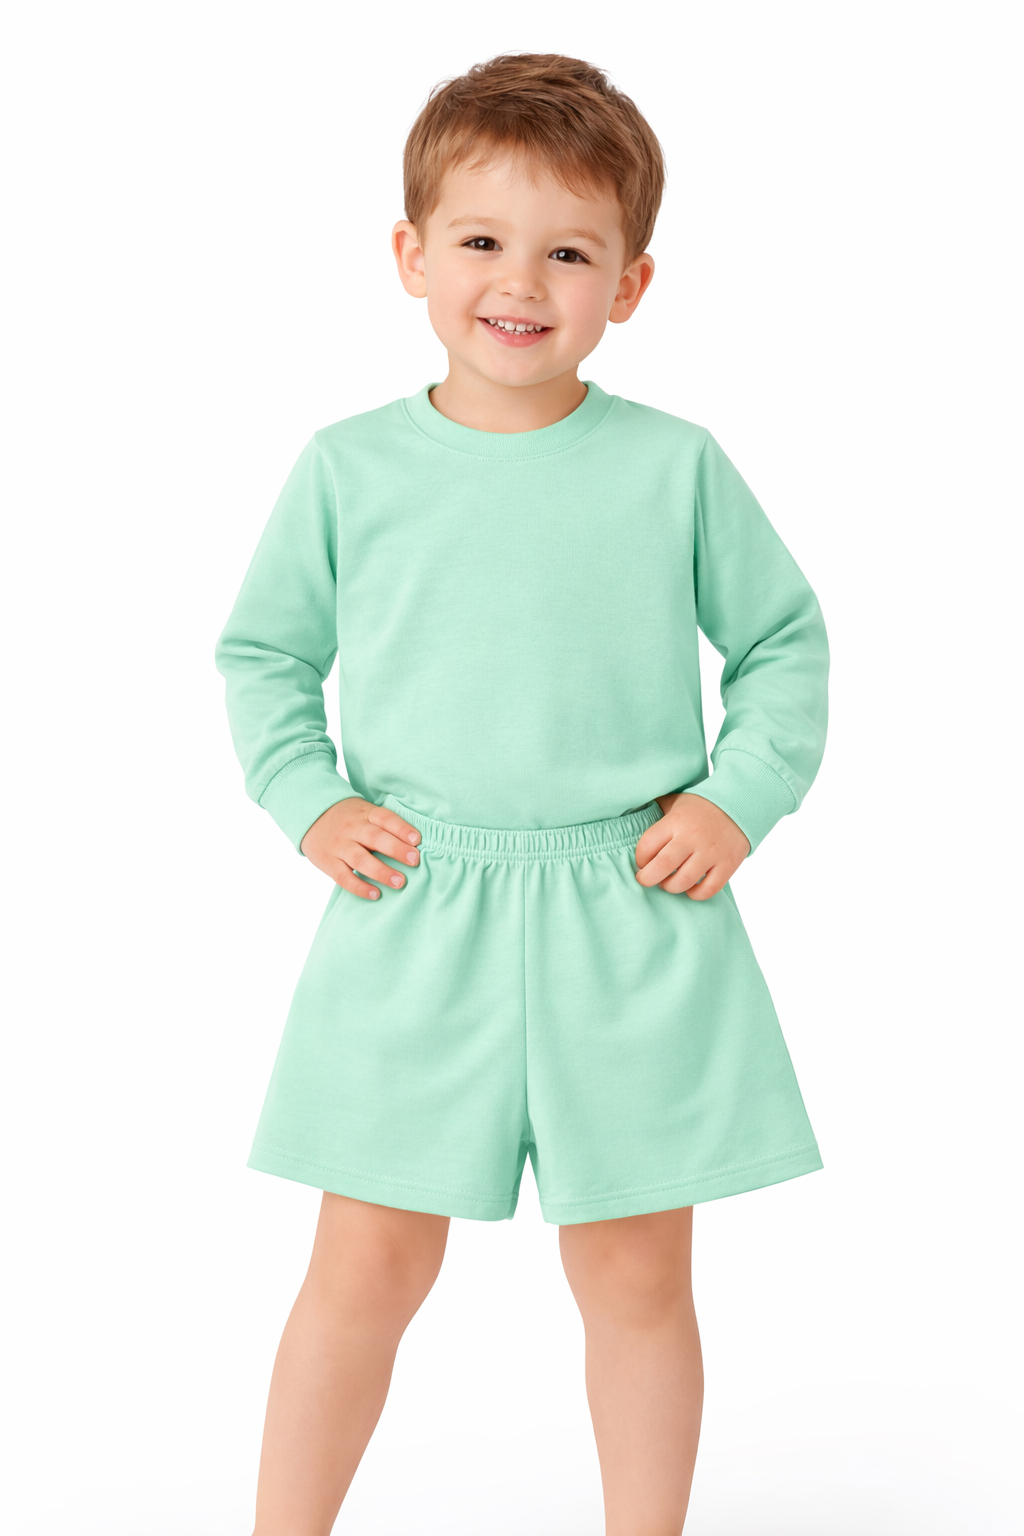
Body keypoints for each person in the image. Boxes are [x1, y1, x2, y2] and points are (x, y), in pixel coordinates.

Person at [215, 51, 829, 1536]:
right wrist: (308, 797)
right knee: (364, 1265)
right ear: (411, 255)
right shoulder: (348, 469)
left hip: (635, 908)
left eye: (569, 251)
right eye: (483, 239)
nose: (521, 281)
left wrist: (735, 798)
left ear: (631, 282)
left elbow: (784, 643)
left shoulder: (674, 467)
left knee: (636, 1274)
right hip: (413, 899)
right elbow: (265, 654)